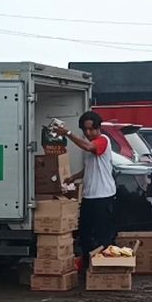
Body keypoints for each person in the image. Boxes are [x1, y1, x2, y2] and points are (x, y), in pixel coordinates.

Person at [58, 111, 116, 272]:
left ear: (98, 128)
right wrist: (73, 178)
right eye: (85, 130)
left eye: (91, 129)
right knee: (85, 234)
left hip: (103, 196)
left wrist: (68, 133)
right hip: (89, 196)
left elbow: (89, 147)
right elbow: (89, 168)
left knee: (102, 236)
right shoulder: (88, 146)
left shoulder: (103, 140)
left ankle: (105, 269)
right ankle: (88, 268)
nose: (88, 133)